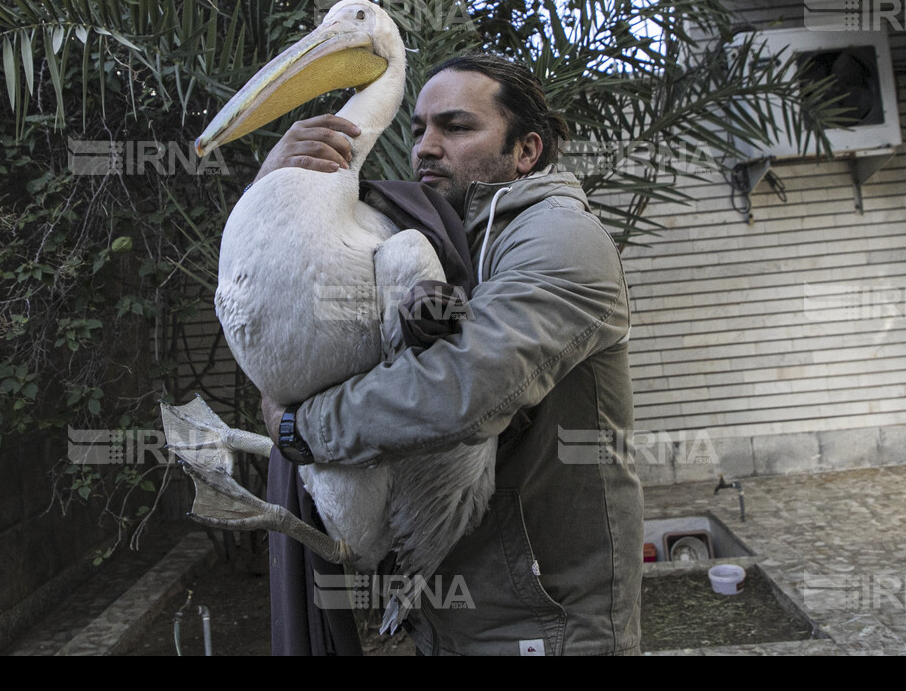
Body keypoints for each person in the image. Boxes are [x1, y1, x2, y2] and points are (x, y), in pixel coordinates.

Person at [257, 54, 642, 656]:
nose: (427, 148)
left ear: (526, 151)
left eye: (457, 127)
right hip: (452, 619)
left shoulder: (560, 239)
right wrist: (276, 187)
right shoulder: (440, 238)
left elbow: (461, 387)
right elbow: (296, 316)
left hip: (542, 625)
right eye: (418, 131)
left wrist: (299, 427)